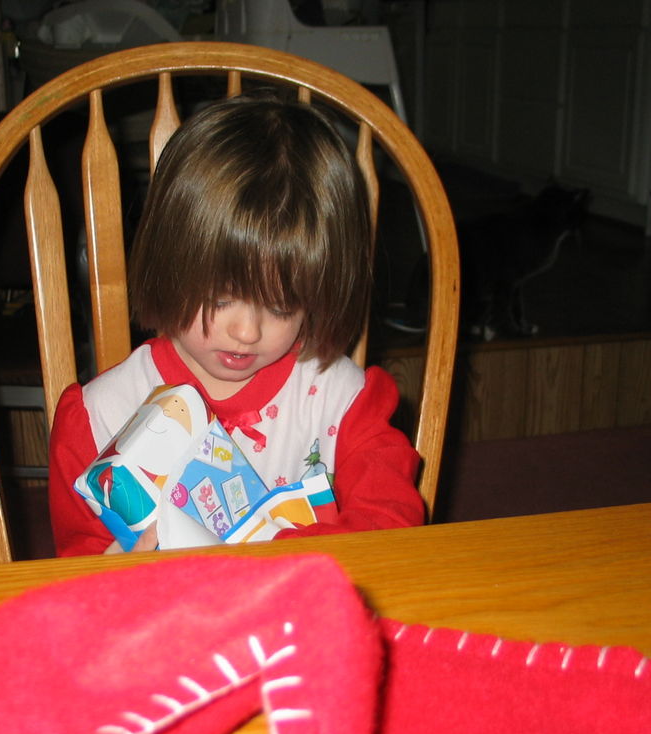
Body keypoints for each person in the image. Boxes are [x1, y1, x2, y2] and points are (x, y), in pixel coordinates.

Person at [47, 92, 424, 556]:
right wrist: (117, 575)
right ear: (169, 267)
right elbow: (75, 572)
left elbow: (390, 528)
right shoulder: (98, 417)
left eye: (282, 307)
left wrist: (269, 556)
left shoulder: (343, 402)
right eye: (221, 298)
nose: (247, 332)